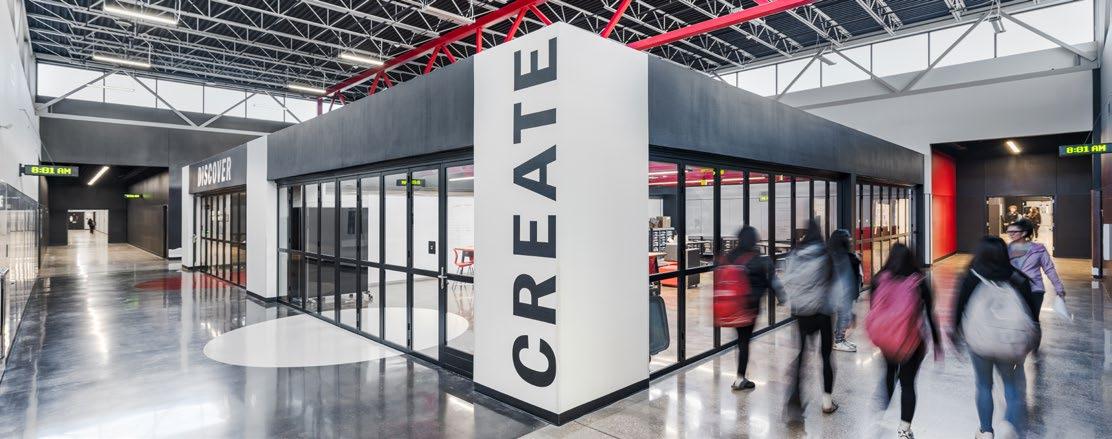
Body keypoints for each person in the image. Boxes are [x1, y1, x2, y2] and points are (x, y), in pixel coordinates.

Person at [952, 236, 1037, 439]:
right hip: (1009, 342)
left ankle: (986, 431)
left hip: (980, 341)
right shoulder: (1018, 278)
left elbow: (958, 310)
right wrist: (1033, 342)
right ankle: (1009, 425)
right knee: (1011, 386)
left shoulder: (971, 277)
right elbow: (1032, 315)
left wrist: (955, 336)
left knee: (984, 385)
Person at [868, 244, 941, 439]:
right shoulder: (918, 281)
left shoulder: (879, 279)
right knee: (907, 384)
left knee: (889, 372)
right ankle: (904, 430)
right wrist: (937, 342)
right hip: (911, 343)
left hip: (887, 341)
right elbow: (930, 314)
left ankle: (882, 413)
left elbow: (873, 309)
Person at [782, 218, 837, 416]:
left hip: (802, 312)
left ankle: (795, 399)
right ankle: (827, 402)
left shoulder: (796, 254)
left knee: (802, 354)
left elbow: (787, 281)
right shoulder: (825, 254)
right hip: (823, 312)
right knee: (826, 356)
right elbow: (833, 284)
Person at [718, 226, 783, 391]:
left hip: (732, 307)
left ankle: (740, 375)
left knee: (741, 340)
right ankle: (740, 378)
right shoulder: (759, 259)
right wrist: (783, 298)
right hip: (749, 308)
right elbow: (772, 282)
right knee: (744, 342)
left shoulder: (730, 256)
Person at [1006, 219, 1064, 323]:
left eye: (1014, 232)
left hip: (1035, 289)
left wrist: (1058, 287)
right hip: (1013, 289)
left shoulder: (1038, 249)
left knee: (1033, 320)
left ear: (1024, 233)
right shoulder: (1005, 249)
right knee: (1015, 321)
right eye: (1009, 231)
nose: (1011, 234)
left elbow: (1049, 269)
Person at [828, 229, 862, 352]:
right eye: (848, 238)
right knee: (844, 317)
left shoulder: (843, 256)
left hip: (845, 294)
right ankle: (838, 341)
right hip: (842, 294)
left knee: (844, 317)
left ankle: (840, 339)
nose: (851, 240)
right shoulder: (839, 258)